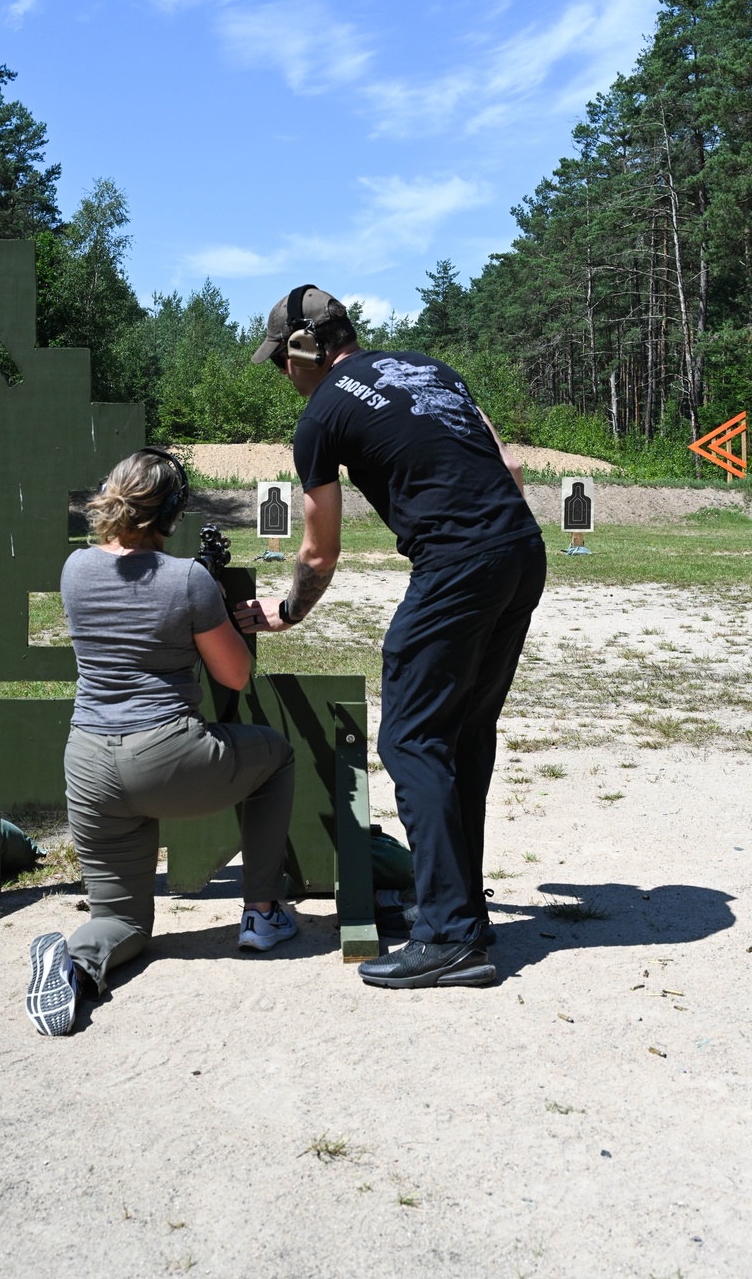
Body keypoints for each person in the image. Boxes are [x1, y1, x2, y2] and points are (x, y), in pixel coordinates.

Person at [234, 287, 546, 991]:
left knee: (412, 740)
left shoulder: (322, 414)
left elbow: (318, 553)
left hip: (459, 562)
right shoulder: (432, 370)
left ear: (306, 349)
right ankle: (462, 916)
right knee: (463, 736)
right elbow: (511, 469)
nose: (285, 374)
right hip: (521, 550)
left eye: (284, 360)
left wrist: (287, 611)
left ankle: (448, 936)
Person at [25, 449, 297, 1036]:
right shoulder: (189, 579)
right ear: (171, 512)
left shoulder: (75, 570)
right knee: (276, 756)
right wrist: (219, 609)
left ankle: (75, 963)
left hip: (90, 766)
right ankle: (262, 912)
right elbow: (234, 676)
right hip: (168, 756)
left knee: (122, 921)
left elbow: (131, 604)